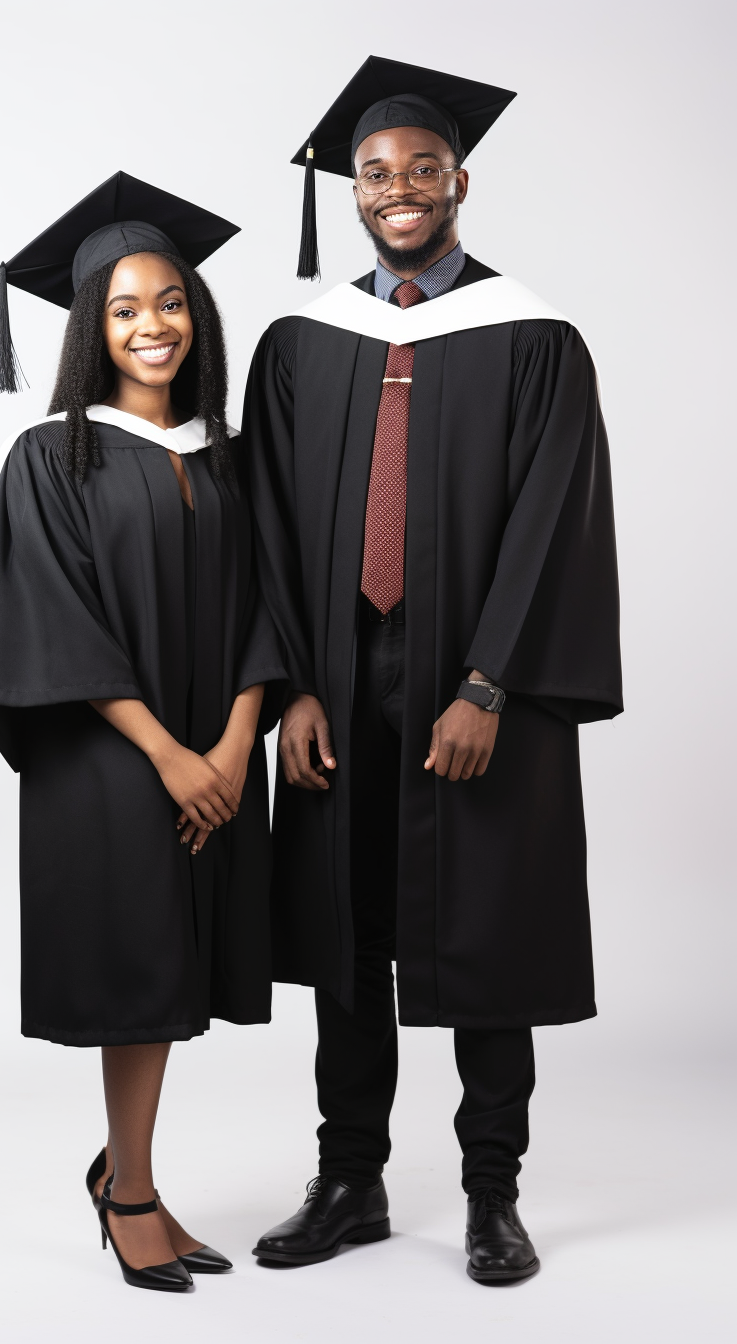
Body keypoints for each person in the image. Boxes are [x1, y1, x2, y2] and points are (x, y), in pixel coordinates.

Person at [243, 57, 622, 1283]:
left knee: (482, 931)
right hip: (334, 673)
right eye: (373, 173)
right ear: (347, 192)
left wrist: (489, 686)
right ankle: (349, 1177)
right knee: (346, 923)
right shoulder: (301, 343)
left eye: (419, 169)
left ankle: (488, 1192)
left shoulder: (534, 339)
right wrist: (291, 683)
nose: (397, 189)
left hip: (475, 680)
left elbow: (553, 524)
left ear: (459, 180)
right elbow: (264, 524)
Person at [0, 172, 285, 1292]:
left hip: (214, 756)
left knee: (176, 967)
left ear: (197, 313)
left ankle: (127, 1172)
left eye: (171, 302)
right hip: (111, 760)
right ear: (90, 328)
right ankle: (131, 1192)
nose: (153, 325)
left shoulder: (227, 456)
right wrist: (167, 753)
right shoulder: (52, 459)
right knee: (139, 966)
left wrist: (237, 746)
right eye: (124, 308)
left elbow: (266, 608)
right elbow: (52, 619)